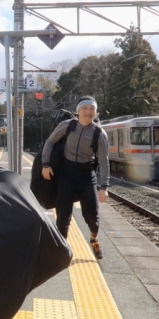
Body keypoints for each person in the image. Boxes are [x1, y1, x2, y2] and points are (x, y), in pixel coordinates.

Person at [40, 96, 109, 259]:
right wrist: (45, 164)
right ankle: (61, 248)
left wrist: (104, 187)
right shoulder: (67, 126)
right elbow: (49, 142)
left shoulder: (99, 133)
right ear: (78, 111)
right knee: (63, 214)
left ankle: (94, 239)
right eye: (85, 108)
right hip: (66, 174)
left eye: (92, 109)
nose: (88, 112)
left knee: (92, 214)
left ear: (95, 112)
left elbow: (104, 161)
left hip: (87, 175)